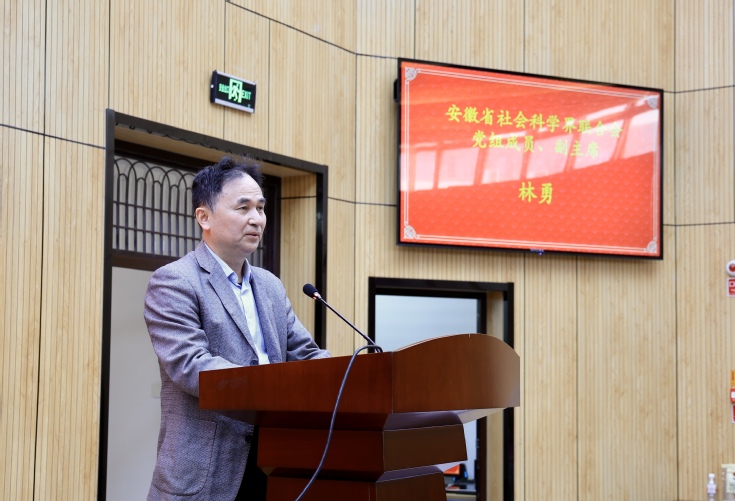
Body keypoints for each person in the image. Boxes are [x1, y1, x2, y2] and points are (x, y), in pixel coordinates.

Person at [144, 155, 329, 501]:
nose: (256, 219)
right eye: (243, 208)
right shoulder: (174, 281)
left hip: (276, 461)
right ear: (204, 217)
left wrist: (350, 373)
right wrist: (273, 386)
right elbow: (191, 365)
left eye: (260, 208)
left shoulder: (270, 286)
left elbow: (305, 354)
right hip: (205, 472)